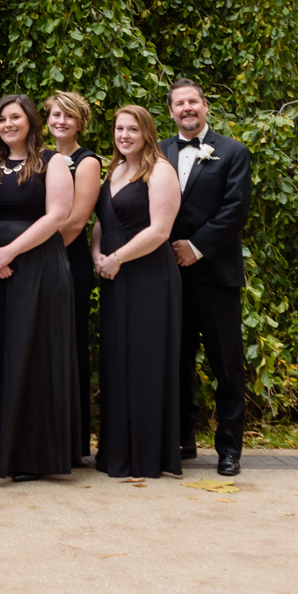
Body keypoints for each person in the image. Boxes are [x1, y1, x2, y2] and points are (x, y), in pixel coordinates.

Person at [0, 94, 78, 480]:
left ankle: (33, 456)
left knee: (32, 352)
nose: (7, 124)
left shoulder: (53, 162)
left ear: (31, 121)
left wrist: (10, 252)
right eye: (2, 119)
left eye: (15, 117)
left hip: (37, 266)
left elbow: (57, 216)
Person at [161, 79, 254, 477]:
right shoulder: (158, 151)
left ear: (205, 106)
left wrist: (195, 247)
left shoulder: (233, 152)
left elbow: (235, 209)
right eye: (179, 103)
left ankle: (229, 448)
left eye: (193, 101)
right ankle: (182, 438)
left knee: (226, 365)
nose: (187, 108)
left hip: (215, 274)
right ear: (170, 112)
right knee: (176, 360)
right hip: (168, 275)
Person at [94, 105, 184, 479]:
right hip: (114, 275)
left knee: (146, 361)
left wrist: (115, 258)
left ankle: (147, 455)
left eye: (132, 129)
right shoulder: (113, 169)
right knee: (117, 359)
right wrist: (97, 254)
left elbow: (160, 231)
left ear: (147, 132)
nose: (125, 135)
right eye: (119, 129)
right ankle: (117, 452)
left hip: (148, 275)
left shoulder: (160, 171)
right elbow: (102, 222)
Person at [43, 91, 103, 463]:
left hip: (67, 262)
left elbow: (77, 221)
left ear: (80, 122)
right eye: (54, 114)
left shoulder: (88, 162)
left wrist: (36, 254)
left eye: (68, 116)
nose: (60, 121)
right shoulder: (43, 158)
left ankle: (74, 442)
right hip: (43, 261)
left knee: (70, 346)